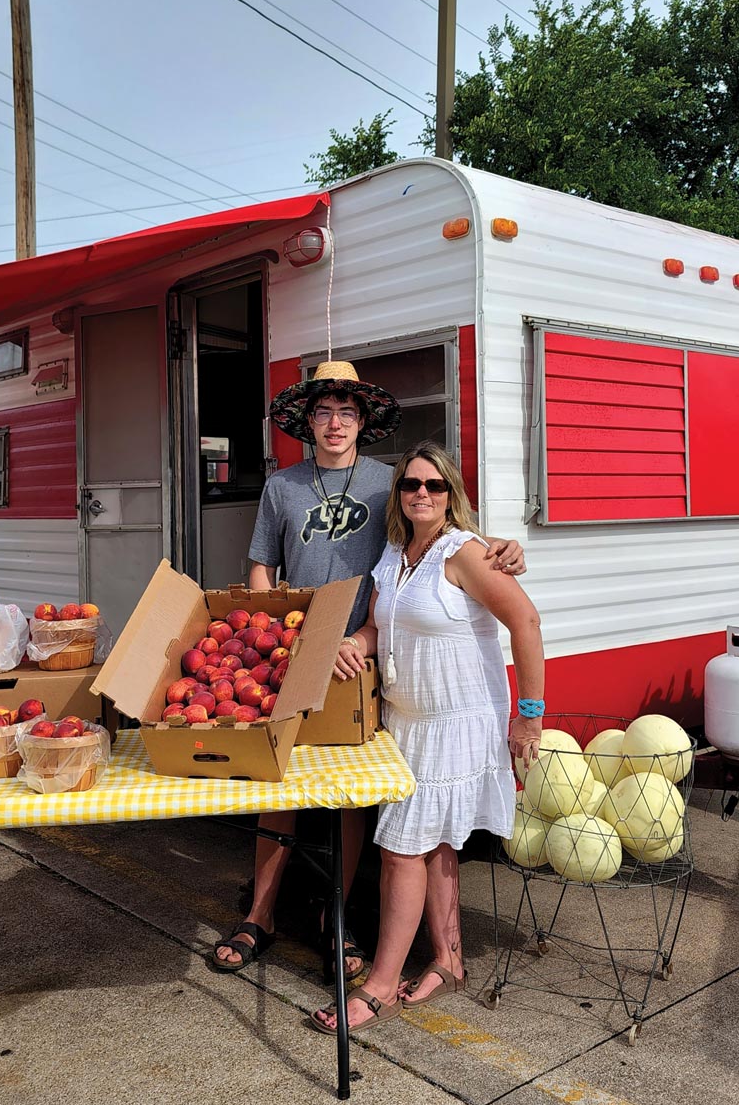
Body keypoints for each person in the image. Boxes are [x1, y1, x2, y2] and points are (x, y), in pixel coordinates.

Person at [212, 363, 527, 977]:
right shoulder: (282, 486)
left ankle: (336, 916)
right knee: (279, 783)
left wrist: (503, 547)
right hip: (296, 653)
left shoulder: (391, 483)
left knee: (349, 794)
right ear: (307, 423)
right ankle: (261, 913)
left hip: (362, 660)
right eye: (324, 413)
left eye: (347, 413)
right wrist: (275, 631)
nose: (335, 424)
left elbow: (442, 527)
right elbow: (261, 568)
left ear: (362, 422)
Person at [311, 441, 544, 1034]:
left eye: (434, 485)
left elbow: (526, 621)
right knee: (436, 842)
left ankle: (380, 986)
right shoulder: (395, 554)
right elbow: (377, 625)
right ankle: (449, 960)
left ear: (450, 494)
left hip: (457, 722)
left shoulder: (464, 552)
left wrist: (530, 715)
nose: (421, 493)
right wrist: (353, 643)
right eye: (410, 484)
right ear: (398, 494)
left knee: (400, 850)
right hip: (408, 723)